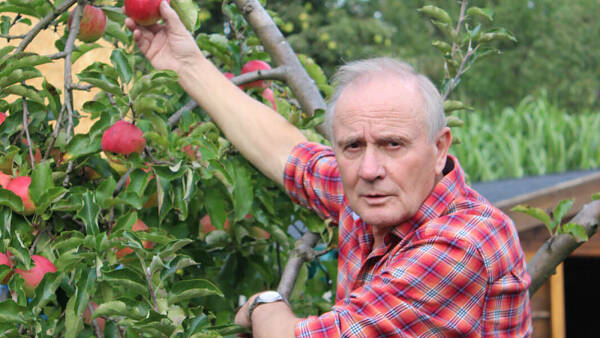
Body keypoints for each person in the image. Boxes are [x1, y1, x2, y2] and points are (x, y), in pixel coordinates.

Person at [127, 2, 533, 337]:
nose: (370, 168)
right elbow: (286, 152)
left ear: (440, 148)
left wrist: (262, 304)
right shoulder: (375, 193)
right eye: (353, 146)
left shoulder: (462, 244)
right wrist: (186, 64)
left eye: (393, 144)